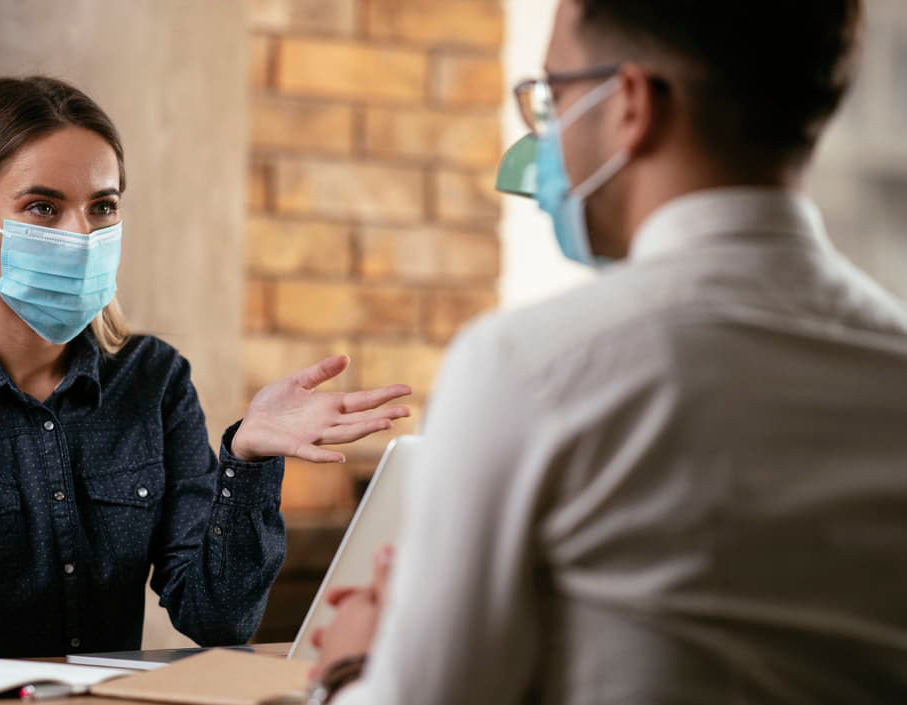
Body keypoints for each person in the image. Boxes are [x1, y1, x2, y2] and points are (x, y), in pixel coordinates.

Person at [313, 0, 907, 702]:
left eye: (553, 97)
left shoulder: (525, 367)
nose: (545, 136)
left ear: (629, 105)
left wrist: (351, 668)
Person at [0, 76, 412, 662]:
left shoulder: (153, 379)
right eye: (43, 207)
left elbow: (219, 621)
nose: (81, 234)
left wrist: (249, 462)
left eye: (102, 206)